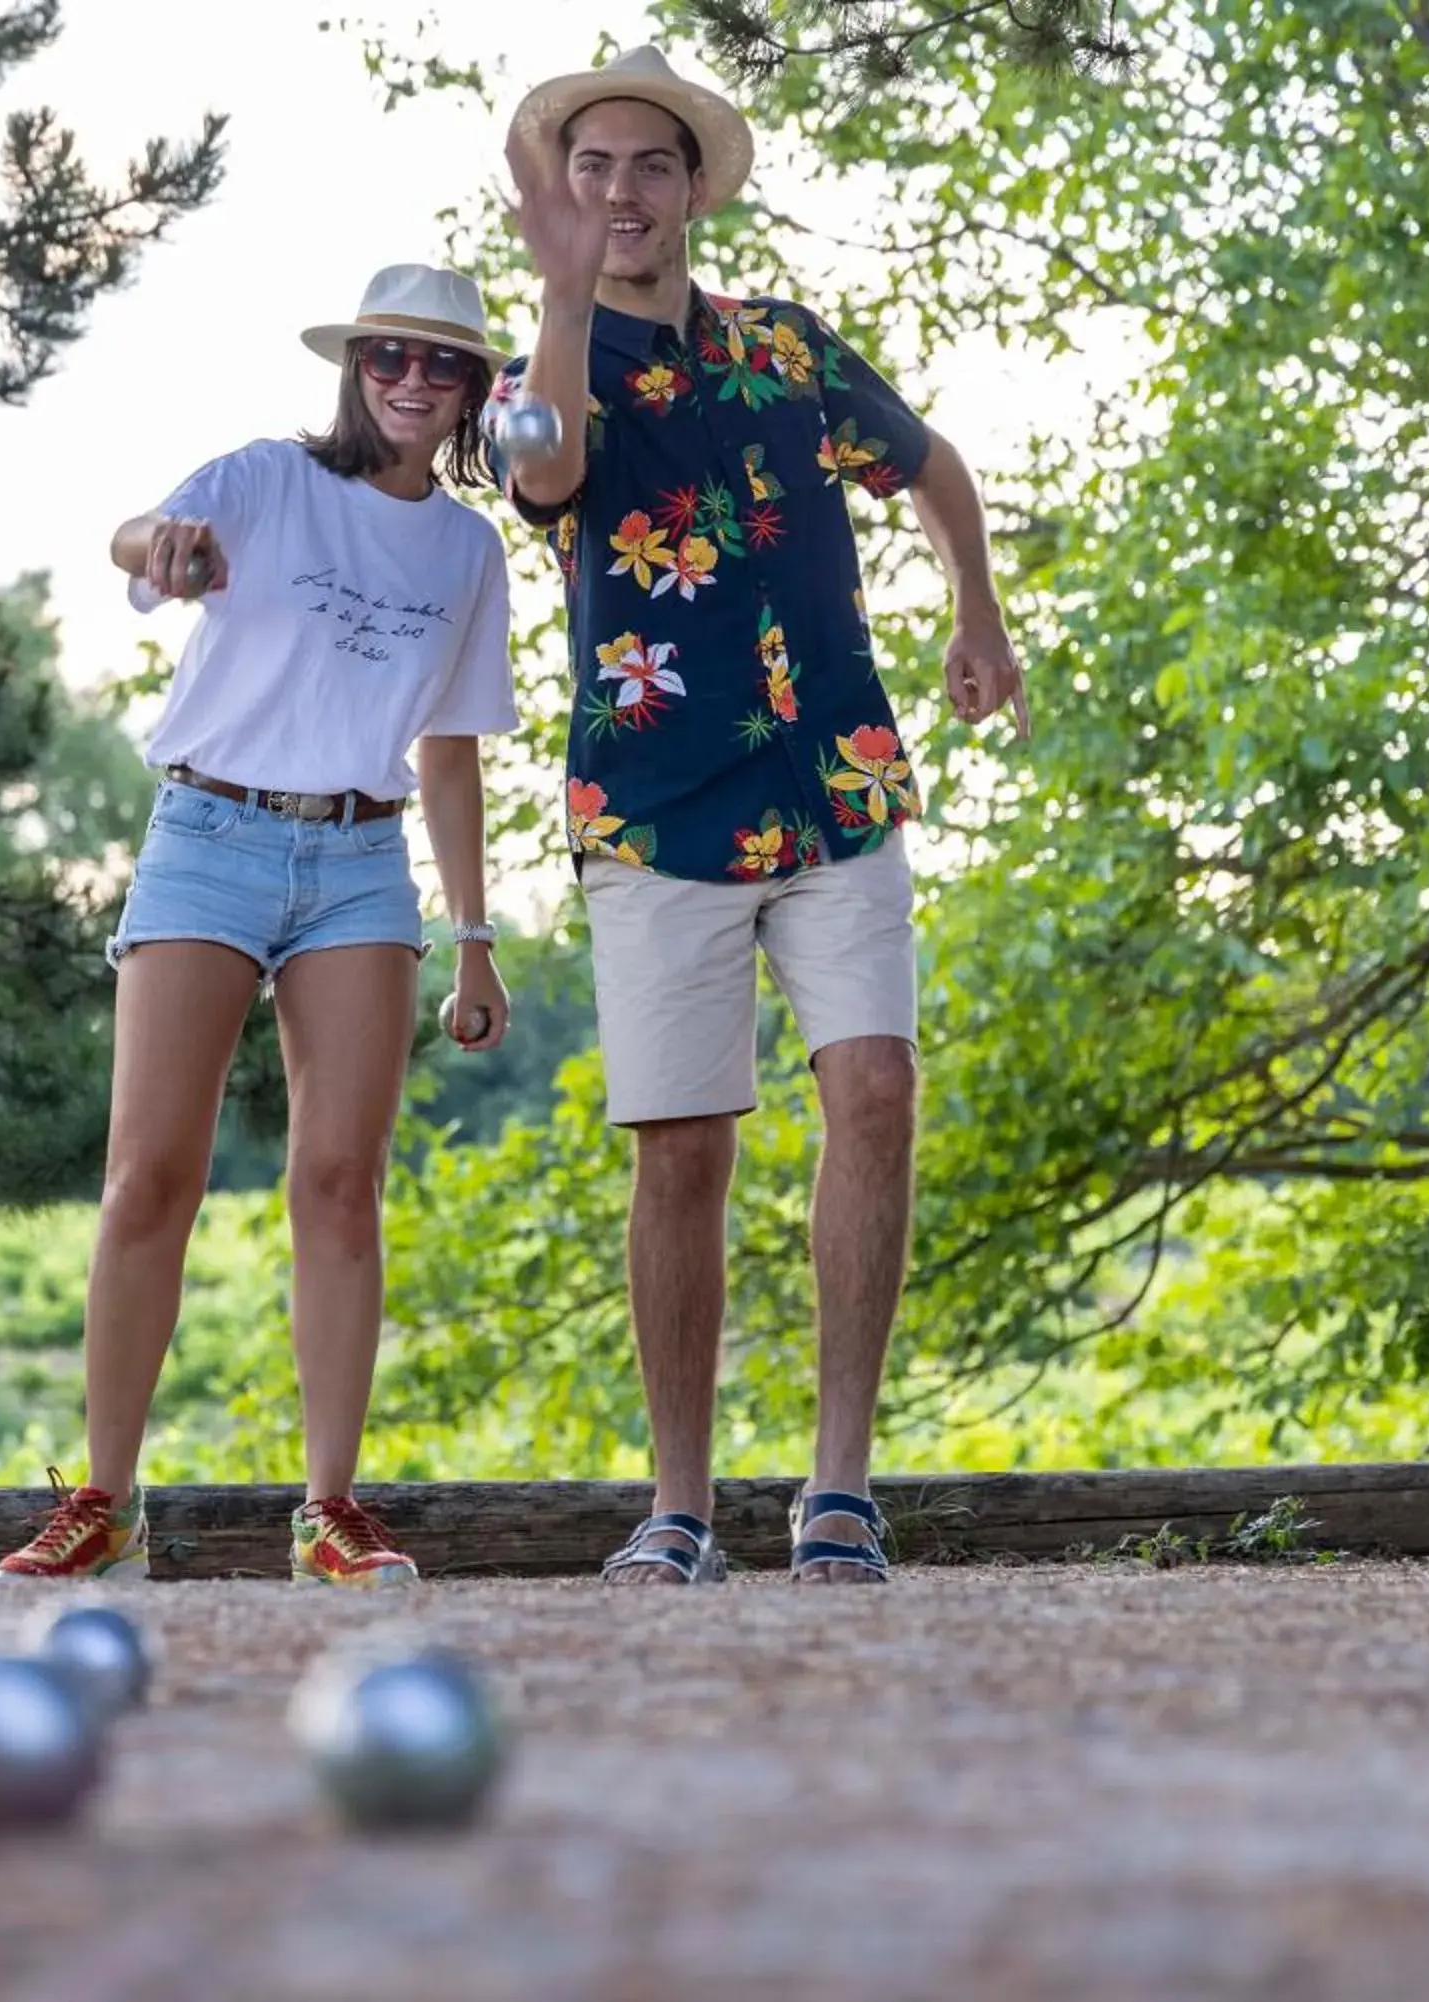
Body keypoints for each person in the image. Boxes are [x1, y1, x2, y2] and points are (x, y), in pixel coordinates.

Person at [491, 48, 1029, 1584]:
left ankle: (839, 1490)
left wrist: (976, 615)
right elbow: (546, 478)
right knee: (686, 1152)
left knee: (875, 1090)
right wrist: (557, 297)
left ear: (692, 189)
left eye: (648, 166)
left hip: (837, 778)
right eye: (589, 167)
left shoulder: (786, 346)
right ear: (559, 193)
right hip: (656, 804)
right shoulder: (543, 368)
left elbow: (933, 468)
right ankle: (680, 1505)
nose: (619, 191)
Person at [0, 264, 521, 1588]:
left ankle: (330, 1508)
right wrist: (155, 549)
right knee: (148, 1175)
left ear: (470, 391)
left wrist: (474, 935)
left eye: (441, 365)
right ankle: (100, 1499)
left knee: (342, 1184)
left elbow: (452, 749)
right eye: (389, 356)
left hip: (360, 858)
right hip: (211, 839)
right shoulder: (265, 479)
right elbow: (141, 534)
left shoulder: (467, 549)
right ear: (356, 366)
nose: (411, 381)